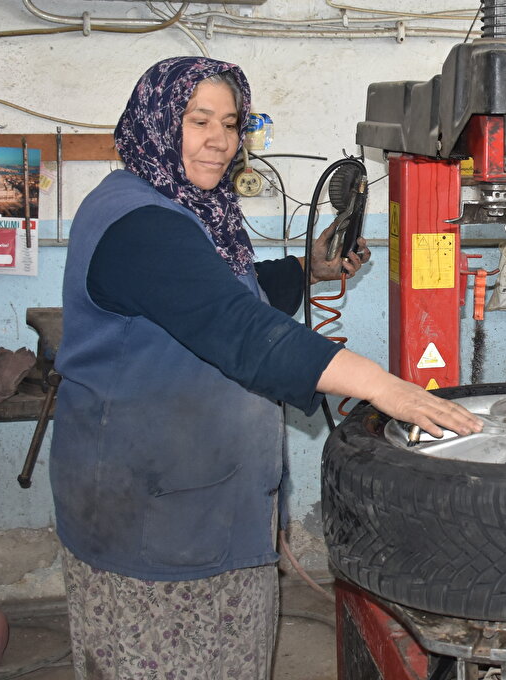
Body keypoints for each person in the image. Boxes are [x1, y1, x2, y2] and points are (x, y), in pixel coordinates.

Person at [49, 57, 482, 679]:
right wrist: (391, 390)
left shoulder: (178, 204)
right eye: (198, 121)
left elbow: (224, 294)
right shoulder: (140, 223)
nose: (219, 141)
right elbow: (242, 331)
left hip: (198, 495)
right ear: (157, 122)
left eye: (230, 123)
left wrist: (307, 271)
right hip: (156, 520)